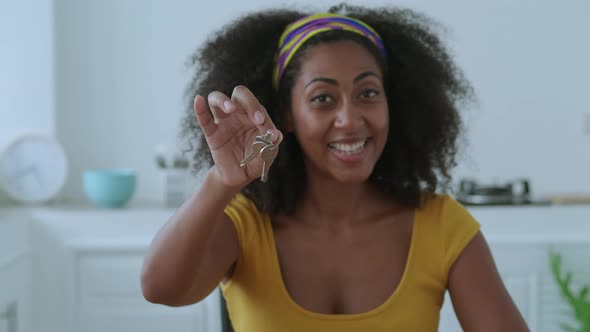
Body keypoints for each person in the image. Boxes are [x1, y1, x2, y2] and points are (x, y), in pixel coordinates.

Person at [141, 3, 530, 331]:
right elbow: (160, 289)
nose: (349, 118)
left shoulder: (443, 226)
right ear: (286, 115)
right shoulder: (244, 223)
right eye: (323, 98)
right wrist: (222, 181)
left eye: (368, 94)